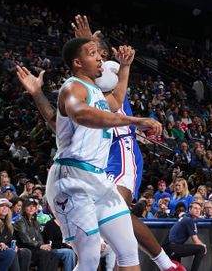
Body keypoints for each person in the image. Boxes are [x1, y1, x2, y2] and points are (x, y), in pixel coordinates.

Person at [35, 38, 162, 271]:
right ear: (78, 62)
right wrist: (135, 121)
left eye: (99, 54)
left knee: (127, 250)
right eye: (92, 53)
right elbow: (82, 114)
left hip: (98, 178)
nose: (100, 58)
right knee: (91, 256)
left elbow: (117, 100)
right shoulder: (73, 87)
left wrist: (124, 67)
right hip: (71, 178)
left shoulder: (95, 92)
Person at [72, 16, 185, 271]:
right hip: (99, 154)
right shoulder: (84, 79)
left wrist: (88, 38)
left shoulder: (110, 69)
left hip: (120, 150)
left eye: (91, 49)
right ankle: (166, 265)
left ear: (101, 54)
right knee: (116, 218)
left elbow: (109, 87)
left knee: (117, 208)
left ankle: (166, 264)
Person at [0, 199, 31, 271]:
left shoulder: (9, 224)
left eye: (6, 206)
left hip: (7, 248)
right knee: (12, 253)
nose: (5, 208)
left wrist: (16, 246)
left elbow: (13, 240)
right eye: (2, 206)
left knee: (26, 252)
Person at [12, 199, 58, 271]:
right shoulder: (20, 220)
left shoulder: (35, 221)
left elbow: (39, 237)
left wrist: (44, 246)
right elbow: (25, 239)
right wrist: (40, 245)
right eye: (28, 206)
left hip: (34, 247)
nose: (31, 208)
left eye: (33, 206)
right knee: (44, 254)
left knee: (54, 256)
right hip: (25, 248)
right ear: (24, 208)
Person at [163, 201, 207, 271]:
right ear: (190, 209)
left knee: (176, 269)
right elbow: (196, 241)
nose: (198, 211)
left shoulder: (186, 217)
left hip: (169, 247)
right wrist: (204, 246)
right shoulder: (189, 220)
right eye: (195, 208)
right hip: (172, 247)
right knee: (201, 249)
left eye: (199, 209)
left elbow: (182, 214)